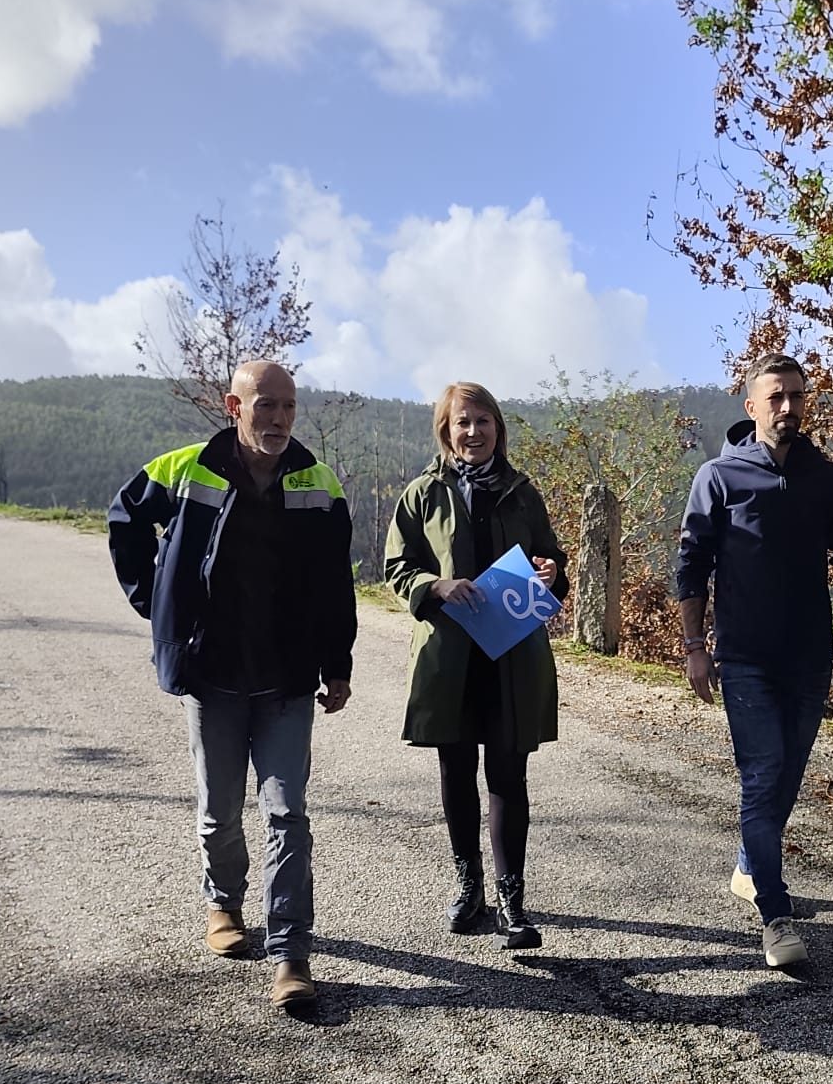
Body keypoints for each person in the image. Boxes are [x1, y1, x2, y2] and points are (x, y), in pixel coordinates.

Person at [107, 360, 356, 1014]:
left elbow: (336, 584)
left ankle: (290, 956)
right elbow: (124, 518)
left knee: (286, 815)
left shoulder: (319, 483)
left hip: (286, 682)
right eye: (265, 405)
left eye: (288, 408)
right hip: (210, 675)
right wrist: (156, 609)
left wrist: (339, 665)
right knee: (219, 811)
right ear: (233, 405)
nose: (277, 418)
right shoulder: (188, 470)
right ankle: (223, 903)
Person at [676, 353, 833, 969]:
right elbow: (690, 568)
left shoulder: (828, 480)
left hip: (809, 656)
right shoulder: (718, 477)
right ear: (751, 407)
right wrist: (696, 647)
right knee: (761, 774)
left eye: (797, 397)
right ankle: (774, 915)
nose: (788, 407)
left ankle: (751, 864)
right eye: (775, 397)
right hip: (743, 656)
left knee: (787, 776)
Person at [384, 382, 568, 950]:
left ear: (498, 428)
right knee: (457, 773)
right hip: (451, 658)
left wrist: (550, 570)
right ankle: (470, 889)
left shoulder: (522, 492)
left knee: (509, 777)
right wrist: (434, 584)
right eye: (462, 422)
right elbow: (397, 566)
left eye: (483, 421)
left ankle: (513, 901)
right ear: (446, 430)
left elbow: (552, 557)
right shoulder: (421, 494)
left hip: (512, 655)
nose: (473, 432)